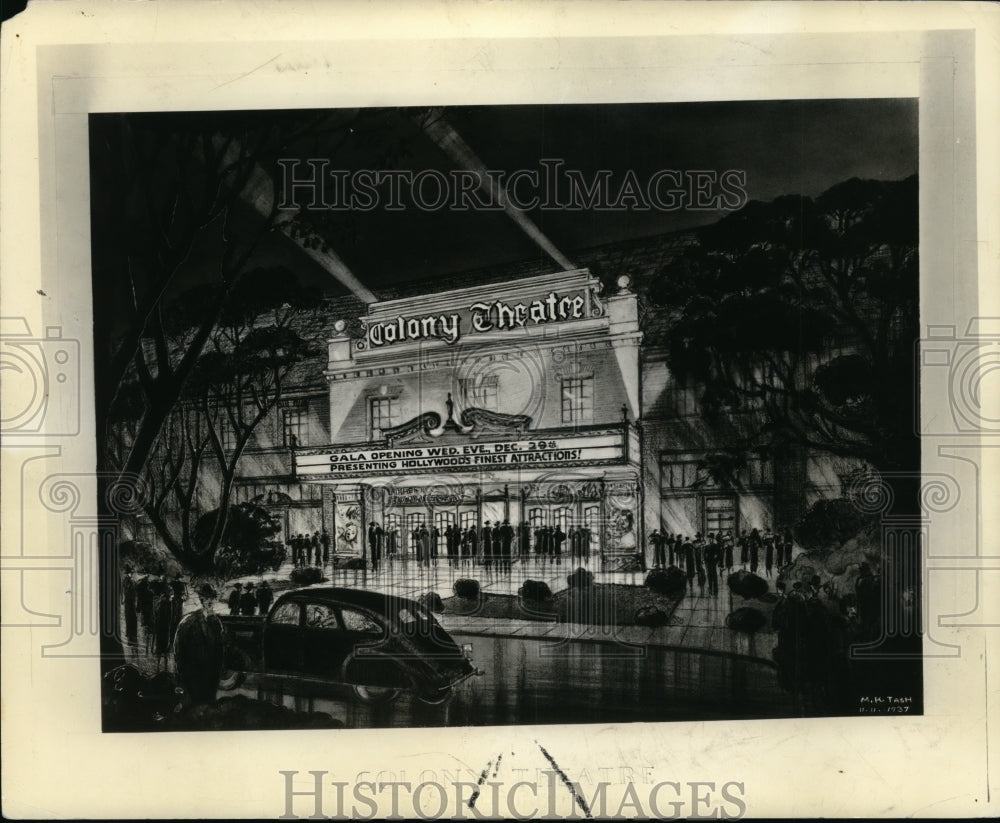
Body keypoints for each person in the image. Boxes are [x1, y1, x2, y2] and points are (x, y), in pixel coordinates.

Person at [173, 584, 227, 706]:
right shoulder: (188, 622)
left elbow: (220, 650)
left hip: (211, 678)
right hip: (193, 677)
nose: (210, 601)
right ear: (202, 600)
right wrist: (183, 676)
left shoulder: (216, 623)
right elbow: (179, 652)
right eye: (207, 598)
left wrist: (219, 671)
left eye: (212, 598)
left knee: (208, 709)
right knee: (194, 709)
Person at [153, 581, 173, 671]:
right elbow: (169, 617)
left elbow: (156, 614)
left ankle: (161, 668)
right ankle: (163, 669)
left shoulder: (161, 603)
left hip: (162, 627)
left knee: (161, 649)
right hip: (164, 628)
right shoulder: (167, 604)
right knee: (163, 649)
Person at [121, 565, 138, 651]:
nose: (131, 574)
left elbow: (134, 591)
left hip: (132, 602)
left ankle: (133, 635)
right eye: (129, 573)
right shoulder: (126, 581)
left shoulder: (132, 581)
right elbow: (124, 591)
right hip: (128, 602)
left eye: (131, 573)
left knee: (133, 618)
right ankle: (130, 637)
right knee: (129, 618)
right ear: (127, 574)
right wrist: (123, 599)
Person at [169, 574, 187, 650]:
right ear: (179, 578)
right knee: (177, 620)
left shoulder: (172, 583)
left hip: (174, 602)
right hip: (178, 603)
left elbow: (170, 593)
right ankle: (176, 639)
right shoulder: (181, 585)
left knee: (173, 620)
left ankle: (171, 640)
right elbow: (185, 596)